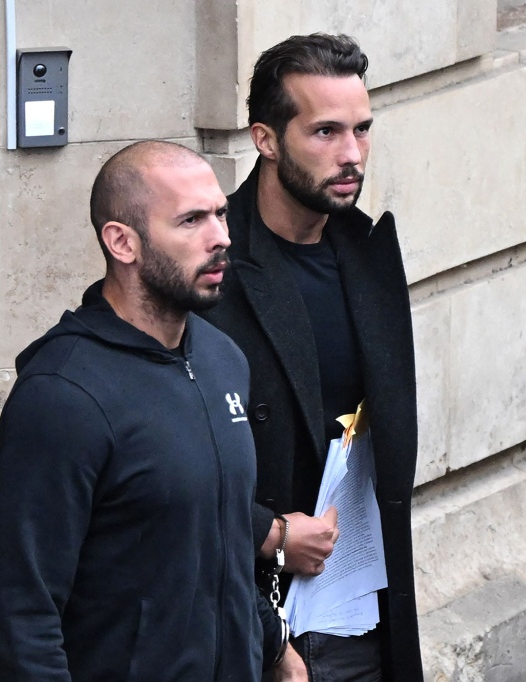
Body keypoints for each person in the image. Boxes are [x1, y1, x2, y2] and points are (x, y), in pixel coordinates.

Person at [0, 140, 302, 681]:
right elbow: (25, 617)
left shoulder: (223, 358)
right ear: (122, 242)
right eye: (190, 221)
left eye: (221, 214)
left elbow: (219, 542)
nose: (221, 237)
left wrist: (274, 648)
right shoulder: (62, 395)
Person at [201, 34, 424, 681]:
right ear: (266, 138)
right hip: (245, 624)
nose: (351, 154)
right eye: (325, 131)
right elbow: (164, 466)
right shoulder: (209, 273)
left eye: (361, 129)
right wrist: (267, 536)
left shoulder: (366, 251)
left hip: (362, 615)